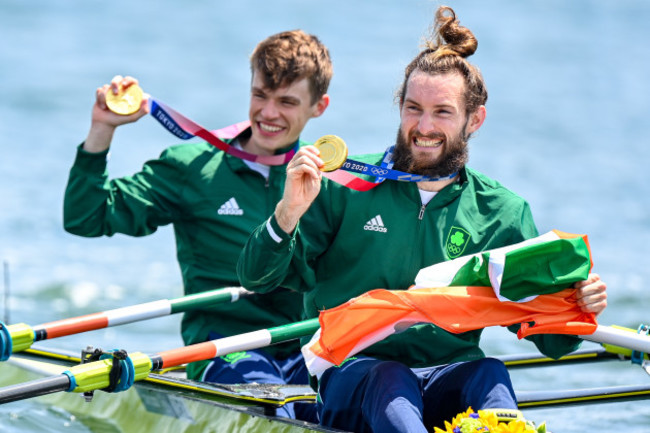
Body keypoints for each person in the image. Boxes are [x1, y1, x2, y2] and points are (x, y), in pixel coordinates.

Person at [237, 7, 607, 433]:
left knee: (490, 373)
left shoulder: (503, 212)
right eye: (414, 108)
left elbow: (555, 341)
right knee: (389, 376)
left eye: (442, 112)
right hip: (352, 376)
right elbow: (257, 277)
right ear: (399, 107)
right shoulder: (342, 187)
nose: (424, 127)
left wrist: (580, 302)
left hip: (447, 376)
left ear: (475, 119)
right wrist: (288, 212)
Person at [63, 30, 332, 421]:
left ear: (318, 107)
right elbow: (86, 217)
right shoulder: (192, 167)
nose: (268, 113)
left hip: (305, 345)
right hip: (223, 346)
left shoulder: (330, 179)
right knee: (279, 410)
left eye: (287, 102)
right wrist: (103, 128)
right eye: (260, 95)